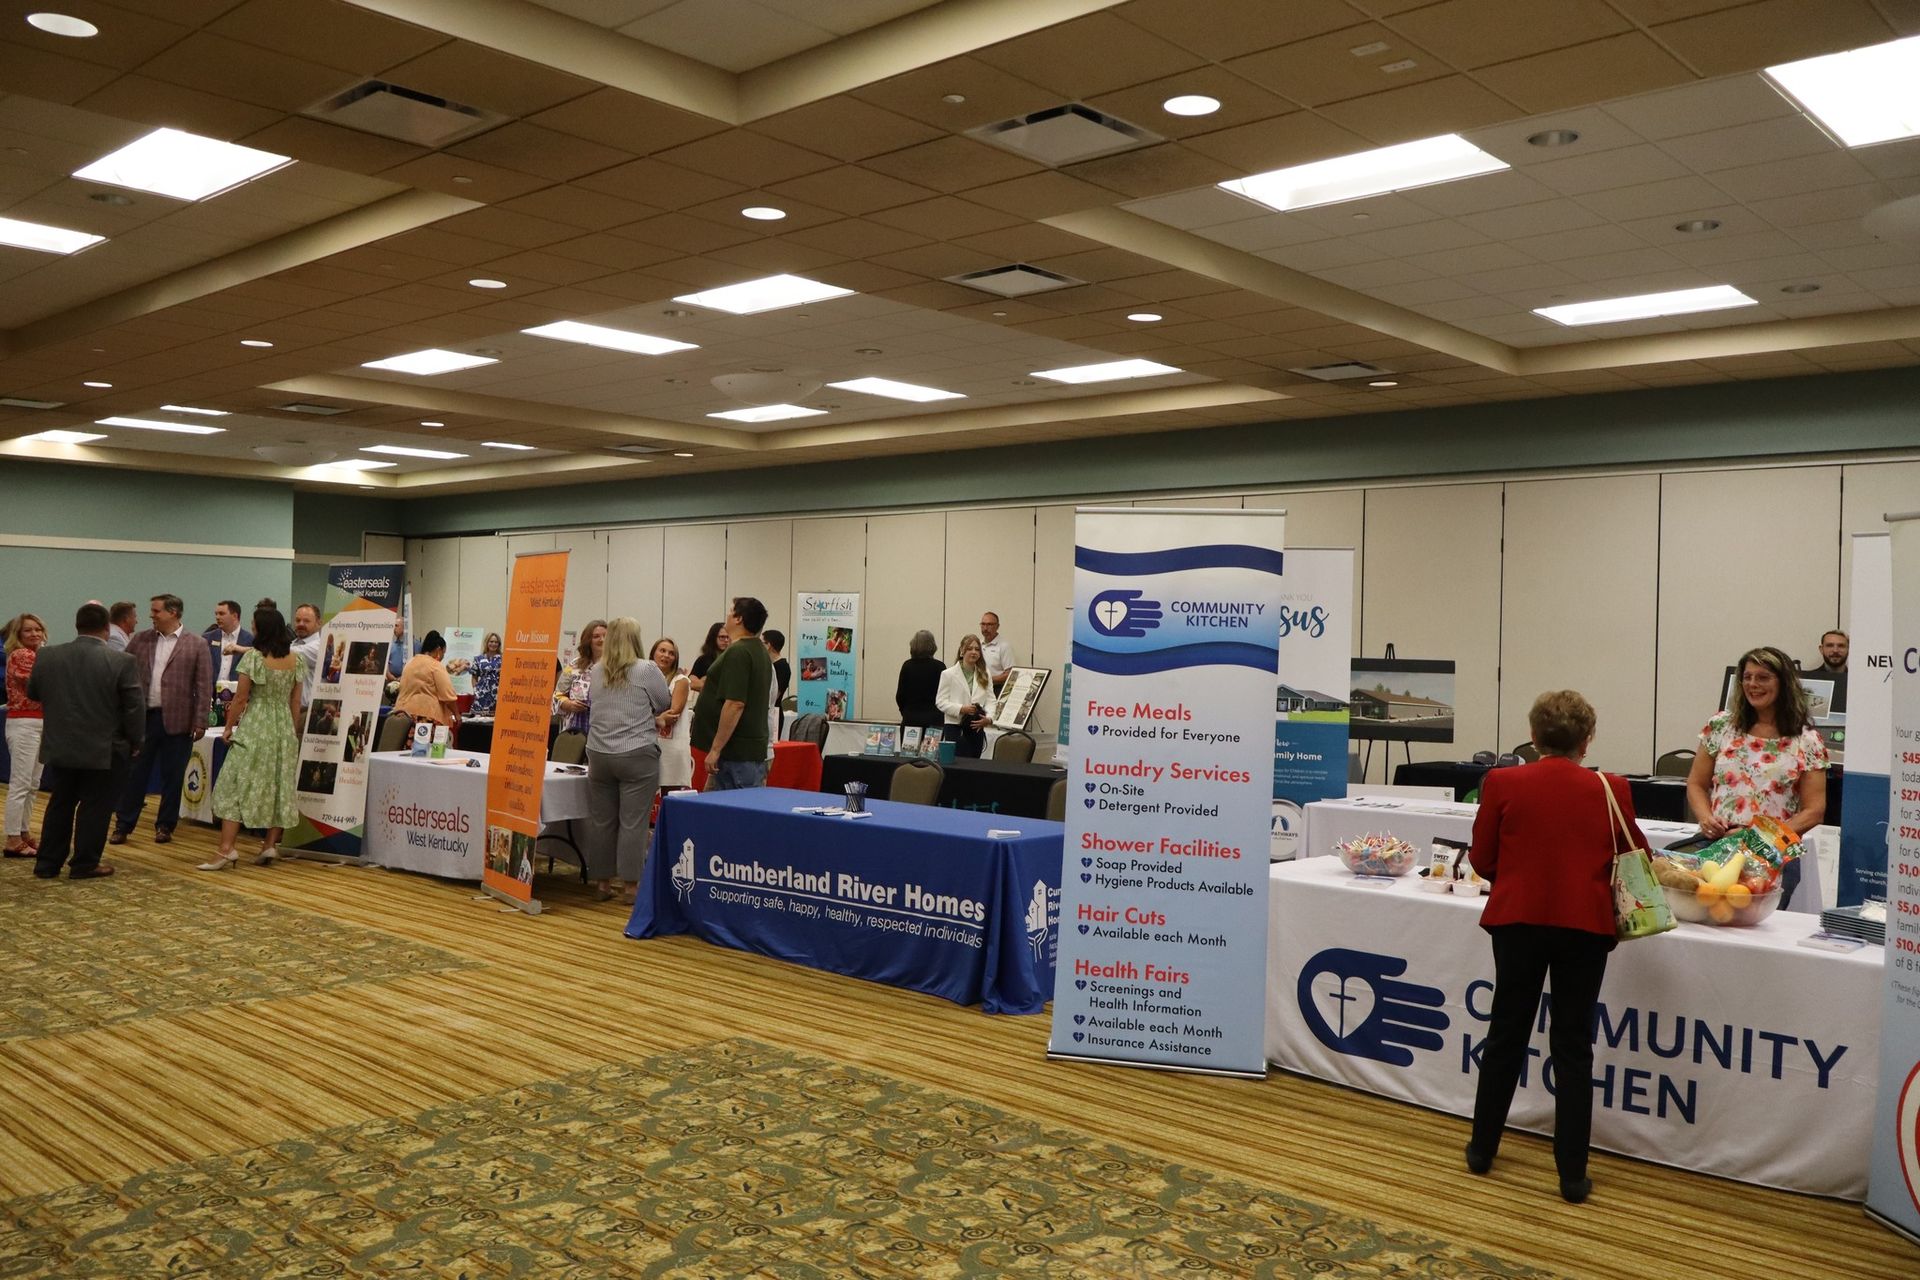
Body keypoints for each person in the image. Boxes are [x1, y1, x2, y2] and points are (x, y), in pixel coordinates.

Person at [1465, 690, 1649, 1206]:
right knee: (1572, 1046)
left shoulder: (1501, 781)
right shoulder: (1611, 787)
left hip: (1517, 921)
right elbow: (1636, 853)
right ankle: (1571, 1174)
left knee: (1505, 1033)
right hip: (1584, 926)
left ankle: (1482, 1150)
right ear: (1588, 740)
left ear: (1534, 735)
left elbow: (1482, 859)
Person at [1685, 645, 1827, 906]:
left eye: (1763, 677)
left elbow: (1814, 810)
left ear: (1783, 684)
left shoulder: (1807, 740)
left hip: (1771, 859)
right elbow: (1696, 783)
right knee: (1709, 927)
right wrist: (1706, 818)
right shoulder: (1721, 726)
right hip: (1715, 849)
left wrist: (1753, 838)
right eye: (1748, 677)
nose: (1753, 684)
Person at [29, 603, 143, 881]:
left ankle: (47, 863)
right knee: (96, 806)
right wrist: (136, 740)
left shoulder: (48, 656)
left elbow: (34, 692)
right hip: (105, 748)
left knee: (61, 802)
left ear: (76, 626)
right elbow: (133, 707)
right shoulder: (121, 662)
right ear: (107, 628)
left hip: (62, 744)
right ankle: (84, 863)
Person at [201, 608, 302, 871]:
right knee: (278, 785)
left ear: (260, 629)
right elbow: (295, 700)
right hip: (282, 728)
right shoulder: (295, 659)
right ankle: (269, 844)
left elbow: (241, 698)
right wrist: (291, 731)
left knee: (235, 783)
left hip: (257, 725)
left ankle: (226, 849)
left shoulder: (254, 659)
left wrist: (228, 727)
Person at [113, 593, 213, 846]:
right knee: (135, 775)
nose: (151, 615)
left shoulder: (196, 644)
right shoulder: (140, 640)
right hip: (144, 719)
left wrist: (201, 720)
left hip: (178, 722)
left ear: (173, 613)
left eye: (156, 611)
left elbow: (204, 685)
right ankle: (123, 825)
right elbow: (124, 674)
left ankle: (165, 826)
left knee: (173, 776)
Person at [585, 617, 672, 902]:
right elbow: (664, 703)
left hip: (599, 753)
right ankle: (631, 887)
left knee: (602, 821)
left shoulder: (596, 671)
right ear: (636, 640)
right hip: (636, 753)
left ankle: (601, 883)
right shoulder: (647, 669)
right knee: (633, 822)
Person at [690, 597, 773, 790]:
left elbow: (735, 703)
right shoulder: (757, 650)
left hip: (737, 754)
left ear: (738, 618)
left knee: (737, 813)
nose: (727, 615)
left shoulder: (739, 652)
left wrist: (716, 748)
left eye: (730, 611)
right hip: (741, 753)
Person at [4, 613, 48, 857]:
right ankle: (12, 838)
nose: (34, 634)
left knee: (32, 784)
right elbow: (39, 684)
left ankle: (23, 831)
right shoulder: (22, 655)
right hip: (24, 723)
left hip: (40, 723)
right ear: (18, 636)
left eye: (37, 629)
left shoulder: (40, 655)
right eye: (27, 631)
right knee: (21, 783)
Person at [936, 632, 997, 758]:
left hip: (976, 726)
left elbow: (991, 700)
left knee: (974, 762)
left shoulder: (985, 674)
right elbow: (940, 702)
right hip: (955, 726)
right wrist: (961, 708)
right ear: (962, 651)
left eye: (977, 649)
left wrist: (989, 719)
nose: (974, 652)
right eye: (970, 649)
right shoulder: (948, 674)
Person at [651, 637, 693, 792]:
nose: (666, 655)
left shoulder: (680, 680)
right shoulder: (645, 678)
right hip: (648, 744)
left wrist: (647, 715)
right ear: (653, 653)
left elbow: (672, 715)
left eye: (671, 653)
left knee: (669, 795)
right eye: (662, 651)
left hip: (671, 747)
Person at [393, 630, 459, 726]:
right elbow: (448, 696)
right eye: (443, 653)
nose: (443, 657)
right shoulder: (435, 666)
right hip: (426, 717)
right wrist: (457, 714)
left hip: (403, 715)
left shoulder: (410, 662)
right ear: (438, 650)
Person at [554, 620, 605, 735]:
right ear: (588, 641)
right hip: (574, 731)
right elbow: (557, 695)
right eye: (596, 636)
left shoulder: (616, 666)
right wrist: (568, 704)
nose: (602, 640)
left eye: (605, 636)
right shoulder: (574, 665)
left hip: (604, 732)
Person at [896, 629, 944, 731]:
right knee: (932, 748)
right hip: (934, 720)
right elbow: (944, 696)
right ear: (932, 646)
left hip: (910, 719)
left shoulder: (907, 666)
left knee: (908, 747)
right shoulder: (939, 667)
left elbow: (900, 696)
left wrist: (905, 712)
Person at [204, 599, 252, 683]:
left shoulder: (250, 640)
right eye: (216, 614)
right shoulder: (207, 638)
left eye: (221, 614)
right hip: (211, 693)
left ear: (235, 616)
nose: (217, 617)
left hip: (237, 692)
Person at [290, 603, 323, 718]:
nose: (301, 624)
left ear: (319, 623)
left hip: (307, 713)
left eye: (306, 621)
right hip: (291, 711)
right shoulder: (293, 643)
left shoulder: (319, 647)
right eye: (298, 620)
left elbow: (280, 653)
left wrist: (242, 649)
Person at [469, 631, 503, 715]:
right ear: (487, 642)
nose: (494, 644)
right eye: (491, 641)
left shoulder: (503, 658)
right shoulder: (478, 659)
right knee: (479, 719)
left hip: (497, 694)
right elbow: (474, 676)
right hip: (481, 694)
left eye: (496, 642)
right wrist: (475, 690)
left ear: (499, 644)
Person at [688, 621, 729, 690]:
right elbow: (691, 682)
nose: (726, 640)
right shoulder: (703, 660)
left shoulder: (734, 658)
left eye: (728, 637)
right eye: (722, 637)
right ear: (713, 638)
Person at [979, 611, 1013, 693]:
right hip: (979, 689)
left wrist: (988, 680)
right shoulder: (978, 644)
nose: (985, 628)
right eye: (983, 624)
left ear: (997, 626)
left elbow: (1010, 674)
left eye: (989, 624)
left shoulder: (1004, 646)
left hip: (996, 689)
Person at [764, 629, 790, 706]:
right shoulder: (768, 664)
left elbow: (773, 697)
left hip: (773, 713)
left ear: (768, 645)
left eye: (761, 643)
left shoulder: (782, 667)